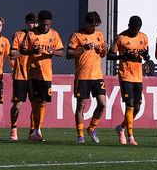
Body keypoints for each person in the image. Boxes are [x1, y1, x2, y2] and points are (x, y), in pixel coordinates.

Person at [21, 10, 64, 142]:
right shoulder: (31, 34)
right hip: (33, 73)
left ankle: (37, 129)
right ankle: (34, 130)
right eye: (44, 24)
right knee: (35, 101)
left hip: (46, 74)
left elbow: (61, 52)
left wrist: (53, 51)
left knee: (43, 101)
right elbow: (22, 50)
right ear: (38, 22)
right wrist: (32, 51)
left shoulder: (54, 34)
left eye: (48, 25)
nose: (46, 27)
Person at [68, 11, 109, 143]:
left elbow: (102, 55)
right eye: (91, 25)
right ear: (86, 23)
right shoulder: (77, 35)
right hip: (83, 76)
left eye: (95, 25)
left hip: (97, 75)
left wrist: (104, 49)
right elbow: (69, 54)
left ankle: (91, 128)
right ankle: (80, 135)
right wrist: (83, 48)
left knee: (102, 104)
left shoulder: (99, 35)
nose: (94, 28)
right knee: (81, 105)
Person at [109, 15, 150, 145]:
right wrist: (123, 56)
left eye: (137, 29)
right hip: (125, 74)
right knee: (130, 105)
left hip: (138, 76)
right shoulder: (121, 37)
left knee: (137, 107)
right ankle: (130, 137)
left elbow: (147, 57)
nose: (135, 31)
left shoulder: (143, 37)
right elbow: (110, 55)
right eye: (133, 29)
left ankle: (121, 128)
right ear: (129, 26)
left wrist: (145, 56)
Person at [8, 12, 37, 141]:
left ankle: (33, 132)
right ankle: (13, 128)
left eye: (36, 22)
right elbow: (12, 55)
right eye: (31, 22)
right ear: (26, 23)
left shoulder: (40, 36)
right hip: (20, 75)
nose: (34, 25)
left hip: (35, 76)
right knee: (17, 105)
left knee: (35, 105)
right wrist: (27, 51)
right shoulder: (19, 35)